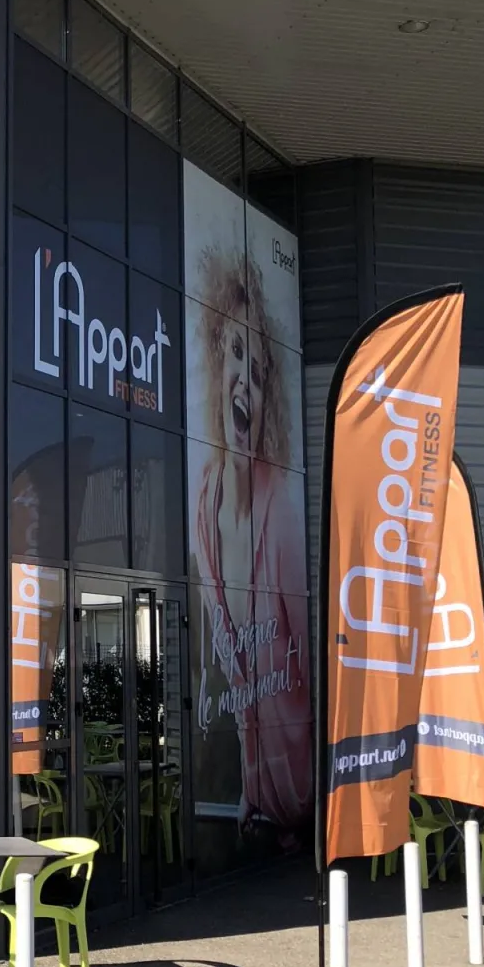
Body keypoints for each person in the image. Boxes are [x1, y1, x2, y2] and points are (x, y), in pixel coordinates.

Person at [189, 251, 312, 833]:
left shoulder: (281, 514)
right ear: (217, 364)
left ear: (266, 407)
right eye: (236, 354)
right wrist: (251, 789)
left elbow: (311, 675)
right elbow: (244, 698)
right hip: (259, 812)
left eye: (260, 374)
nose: (245, 379)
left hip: (306, 808)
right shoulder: (204, 501)